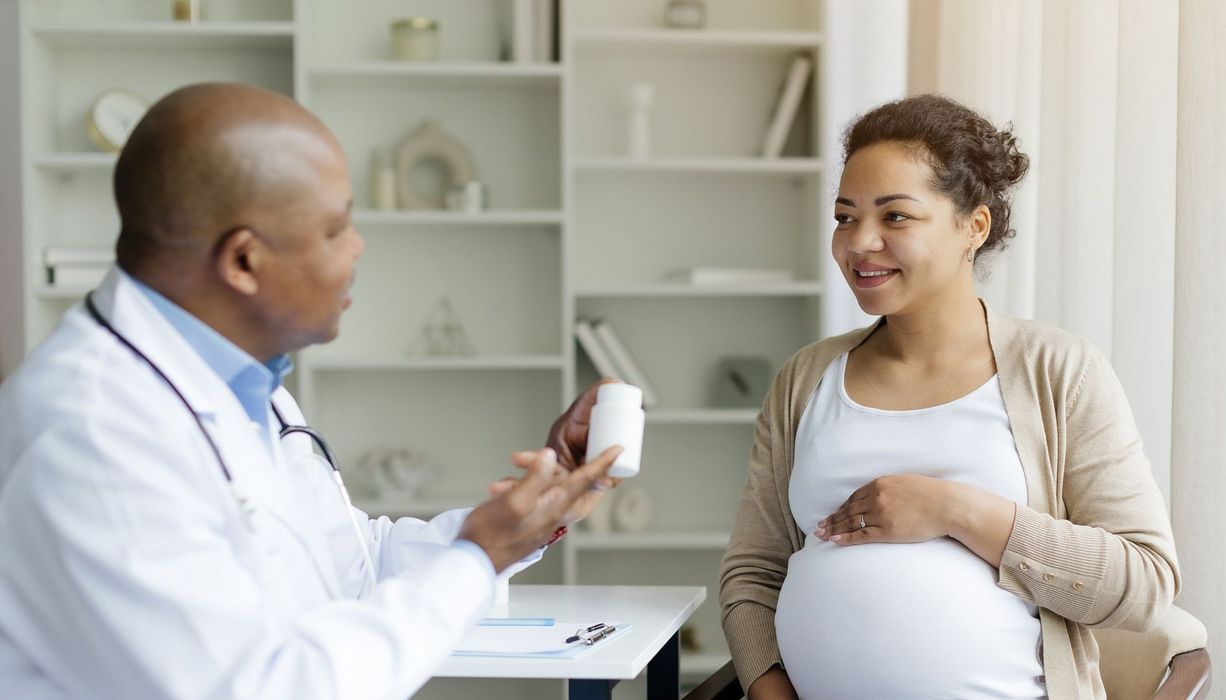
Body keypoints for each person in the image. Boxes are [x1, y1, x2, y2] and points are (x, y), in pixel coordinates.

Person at [0, 82, 622, 699]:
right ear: (243, 261)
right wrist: (478, 558)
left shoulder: (245, 382)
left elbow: (351, 567)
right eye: (334, 230)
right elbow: (261, 689)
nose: (358, 247)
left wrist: (530, 514)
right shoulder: (96, 431)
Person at [719, 94, 1178, 699]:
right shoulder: (806, 378)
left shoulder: (1061, 371)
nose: (859, 242)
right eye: (845, 216)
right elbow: (752, 575)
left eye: (896, 217)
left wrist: (956, 511)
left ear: (974, 226)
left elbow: (1143, 586)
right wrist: (770, 691)